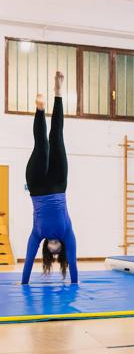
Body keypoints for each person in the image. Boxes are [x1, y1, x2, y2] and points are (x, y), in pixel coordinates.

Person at [21, 71, 78, 285]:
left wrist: (24, 283)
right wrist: (75, 284)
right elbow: (73, 263)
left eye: (51, 252)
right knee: (56, 137)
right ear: (61, 248)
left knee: (42, 146)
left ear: (46, 248)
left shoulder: (37, 234)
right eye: (57, 253)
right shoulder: (67, 233)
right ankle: (58, 92)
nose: (54, 251)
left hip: (36, 186)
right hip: (58, 184)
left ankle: (40, 109)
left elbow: (27, 261)